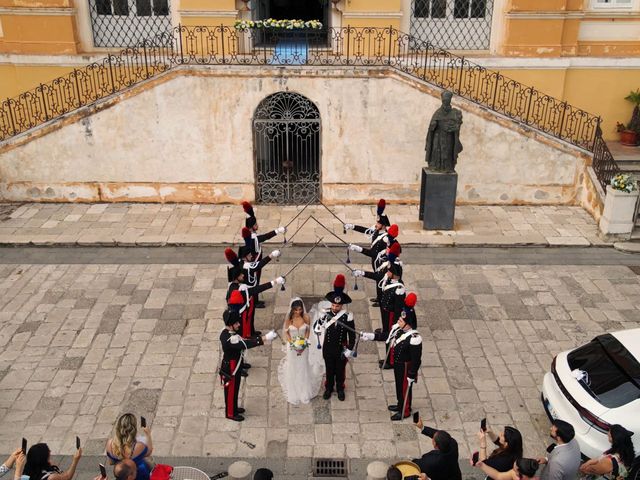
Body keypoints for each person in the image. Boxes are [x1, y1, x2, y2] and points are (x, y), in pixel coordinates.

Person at [361, 292, 422, 420]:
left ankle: (405, 411)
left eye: (401, 320)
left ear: (408, 323)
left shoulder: (415, 338)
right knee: (399, 386)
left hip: (406, 367)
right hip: (398, 364)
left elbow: (416, 360)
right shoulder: (398, 329)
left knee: (404, 388)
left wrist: (412, 374)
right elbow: (386, 336)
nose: (398, 320)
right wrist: (371, 336)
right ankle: (400, 404)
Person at [220, 307, 278, 421]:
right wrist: (265, 338)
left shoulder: (227, 332)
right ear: (231, 325)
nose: (238, 325)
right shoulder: (230, 339)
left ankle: (234, 408)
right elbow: (246, 343)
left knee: (236, 388)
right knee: (231, 391)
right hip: (231, 367)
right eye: (236, 323)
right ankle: (230, 413)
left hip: (234, 363)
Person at [313, 274, 356, 401]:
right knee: (329, 368)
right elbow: (317, 329)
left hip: (341, 347)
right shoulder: (325, 314)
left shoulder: (348, 316)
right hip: (328, 347)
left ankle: (340, 388)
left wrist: (349, 349)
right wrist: (319, 323)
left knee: (340, 370)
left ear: (341, 306)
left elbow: (352, 335)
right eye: (333, 305)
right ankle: (329, 387)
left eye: (337, 306)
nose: (335, 308)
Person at [225, 246, 283, 338]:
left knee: (251, 318)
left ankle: (251, 332)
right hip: (241, 310)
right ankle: (247, 335)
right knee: (245, 322)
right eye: (240, 275)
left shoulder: (233, 284)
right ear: (236, 277)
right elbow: (256, 289)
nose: (243, 275)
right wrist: (275, 282)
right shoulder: (240, 289)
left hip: (244, 303)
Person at [344, 198, 391, 307]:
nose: (376, 224)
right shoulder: (377, 231)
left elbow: (373, 253)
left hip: (380, 263)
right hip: (375, 262)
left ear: (383, 225)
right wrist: (352, 227)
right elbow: (366, 230)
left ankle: (382, 300)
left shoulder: (384, 238)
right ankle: (379, 298)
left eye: (378, 223)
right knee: (378, 280)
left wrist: (358, 249)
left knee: (380, 279)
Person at [277, 297, 324, 405]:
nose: (298, 312)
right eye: (296, 310)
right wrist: (293, 345)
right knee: (293, 366)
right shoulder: (289, 319)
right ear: (292, 309)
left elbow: (307, 331)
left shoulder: (306, 317)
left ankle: (304, 389)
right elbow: (287, 334)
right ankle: (294, 388)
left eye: (300, 309)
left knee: (303, 366)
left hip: (304, 346)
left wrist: (304, 342)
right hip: (292, 346)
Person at [241, 201, 286, 308]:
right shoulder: (252, 238)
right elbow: (265, 237)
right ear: (252, 227)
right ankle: (254, 301)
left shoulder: (252, 234)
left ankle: (256, 300)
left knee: (256, 282)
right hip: (254, 263)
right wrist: (277, 231)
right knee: (254, 283)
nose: (258, 225)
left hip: (255, 261)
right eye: (256, 224)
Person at [411, 415, 462, 480]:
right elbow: (439, 434)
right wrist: (422, 427)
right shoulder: (453, 444)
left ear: (435, 445)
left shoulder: (432, 461)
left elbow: (417, 464)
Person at [425, 90, 463, 173]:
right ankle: (435, 166)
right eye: (444, 100)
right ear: (442, 100)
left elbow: (457, 125)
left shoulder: (455, 113)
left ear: (449, 100)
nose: (445, 102)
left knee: (447, 153)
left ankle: (448, 168)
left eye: (447, 100)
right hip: (438, 137)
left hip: (449, 138)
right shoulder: (438, 112)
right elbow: (431, 127)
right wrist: (433, 124)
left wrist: (453, 127)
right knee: (436, 152)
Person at [105, 413, 153, 480]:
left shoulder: (109, 444)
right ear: (134, 429)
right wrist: (148, 435)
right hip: (137, 474)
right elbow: (149, 451)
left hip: (122, 475)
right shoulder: (138, 446)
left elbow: (111, 462)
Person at [476, 458, 540, 480]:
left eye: (514, 470)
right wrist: (482, 465)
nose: (512, 470)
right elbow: (498, 476)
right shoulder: (514, 474)